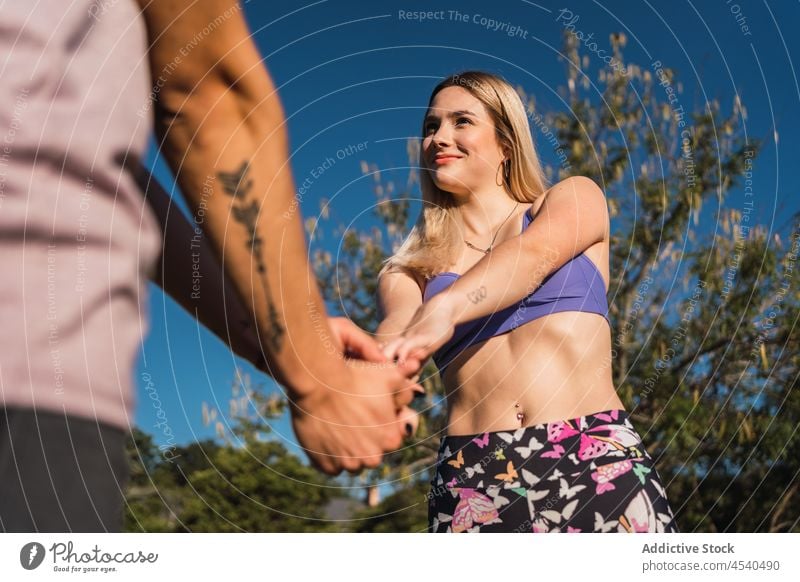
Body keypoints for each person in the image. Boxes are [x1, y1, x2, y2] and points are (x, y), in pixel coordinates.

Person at [0, 0, 420, 532]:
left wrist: (280, 343)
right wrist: (318, 381)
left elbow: (105, 183)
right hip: (30, 346)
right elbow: (208, 97)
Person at [377, 71, 679, 533]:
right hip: (471, 476)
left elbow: (533, 255)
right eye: (430, 127)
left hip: (595, 455)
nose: (440, 138)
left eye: (461, 122)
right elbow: (393, 337)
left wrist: (445, 308)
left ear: (505, 144)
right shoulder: (410, 267)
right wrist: (361, 384)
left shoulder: (573, 198)